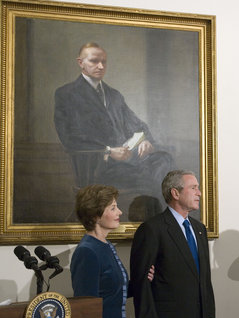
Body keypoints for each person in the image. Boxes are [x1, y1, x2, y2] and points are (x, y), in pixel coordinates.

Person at [54, 42, 173, 202]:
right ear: (80, 63)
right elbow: (70, 139)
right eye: (94, 61)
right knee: (155, 179)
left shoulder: (114, 95)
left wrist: (145, 140)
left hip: (127, 162)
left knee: (164, 159)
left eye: (104, 61)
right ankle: (155, 217)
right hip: (95, 168)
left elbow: (138, 125)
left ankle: (153, 214)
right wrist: (108, 151)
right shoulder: (67, 94)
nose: (101, 66)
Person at [130, 170, 215, 318]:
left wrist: (209, 315)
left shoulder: (199, 229)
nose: (199, 193)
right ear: (175, 193)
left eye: (198, 188)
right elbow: (141, 281)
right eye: (193, 188)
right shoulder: (152, 229)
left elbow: (205, 277)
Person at [68, 184, 154, 318]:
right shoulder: (88, 251)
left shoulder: (104, 245)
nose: (120, 212)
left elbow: (113, 290)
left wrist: (143, 280)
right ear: (95, 215)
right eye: (113, 208)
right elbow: (86, 309)